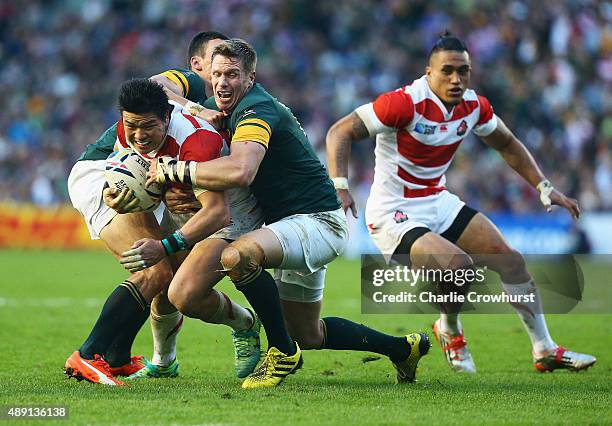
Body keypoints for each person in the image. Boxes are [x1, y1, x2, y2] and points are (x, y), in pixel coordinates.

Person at [144, 38, 431, 389]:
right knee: (309, 333)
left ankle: (281, 352)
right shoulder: (212, 105)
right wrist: (195, 108)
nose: (222, 82)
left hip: (317, 221)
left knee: (239, 256)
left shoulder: (256, 108)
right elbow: (153, 86)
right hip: (286, 228)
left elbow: (242, 171)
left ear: (250, 78)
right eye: (217, 73)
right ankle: (403, 348)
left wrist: (177, 172)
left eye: (233, 75)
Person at [325, 32, 596, 374]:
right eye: (447, 70)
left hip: (438, 201)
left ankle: (544, 349)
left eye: (463, 71)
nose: (456, 79)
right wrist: (341, 185)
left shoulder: (474, 106)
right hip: (394, 211)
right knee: (458, 267)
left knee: (512, 262)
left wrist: (544, 186)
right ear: (429, 72)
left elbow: (508, 144)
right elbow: (339, 131)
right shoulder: (404, 103)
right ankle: (450, 330)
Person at [64, 32, 263, 385]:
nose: (219, 76)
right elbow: (131, 168)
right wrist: (121, 192)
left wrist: (170, 192)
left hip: (223, 205)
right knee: (154, 272)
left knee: (173, 283)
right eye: (214, 66)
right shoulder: (180, 91)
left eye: (228, 69)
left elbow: (215, 206)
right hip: (95, 175)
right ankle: (89, 354)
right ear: (199, 64)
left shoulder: (204, 135)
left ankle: (120, 357)